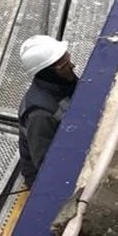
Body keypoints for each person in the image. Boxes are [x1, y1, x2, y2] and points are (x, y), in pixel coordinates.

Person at [17, 35, 79, 185]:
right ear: (48, 72)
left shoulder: (63, 81)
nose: (72, 65)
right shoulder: (40, 114)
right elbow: (47, 165)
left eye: (68, 58)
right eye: (64, 65)